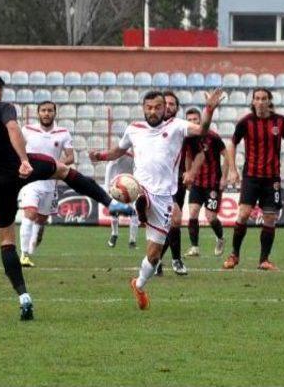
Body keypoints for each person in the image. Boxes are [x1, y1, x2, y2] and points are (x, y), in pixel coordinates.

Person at [0, 72, 134, 321]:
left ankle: (23, 296)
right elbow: (14, 129)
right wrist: (25, 160)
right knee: (63, 170)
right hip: (15, 168)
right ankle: (110, 203)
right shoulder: (2, 107)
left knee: (6, 241)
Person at [90, 89, 224, 310]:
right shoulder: (134, 129)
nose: (153, 111)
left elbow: (203, 129)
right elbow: (118, 151)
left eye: (157, 107)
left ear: (165, 109)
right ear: (144, 108)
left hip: (164, 197)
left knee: (153, 256)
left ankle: (139, 284)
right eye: (149, 107)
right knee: (139, 194)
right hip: (140, 187)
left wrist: (209, 109)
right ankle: (140, 206)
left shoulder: (177, 127)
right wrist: (101, 156)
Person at [224, 88, 284, 271]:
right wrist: (232, 169)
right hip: (251, 176)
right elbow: (232, 144)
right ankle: (234, 255)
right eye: (257, 99)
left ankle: (264, 260)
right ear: (253, 101)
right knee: (244, 214)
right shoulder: (246, 122)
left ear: (269, 101)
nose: (260, 102)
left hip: (272, 179)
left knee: (270, 218)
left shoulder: (280, 121)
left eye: (264, 99)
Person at [19, 101, 74, 267]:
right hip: (31, 181)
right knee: (29, 213)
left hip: (50, 183)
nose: (46, 113)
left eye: (50, 110)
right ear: (38, 113)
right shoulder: (27, 130)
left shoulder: (63, 133)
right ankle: (23, 255)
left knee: (41, 220)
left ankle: (34, 243)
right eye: (43, 110)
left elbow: (70, 157)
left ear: (55, 113)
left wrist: (55, 166)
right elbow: (17, 150)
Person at [154, 90, 200, 276]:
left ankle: (161, 260)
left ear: (177, 108)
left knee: (173, 221)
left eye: (173, 104)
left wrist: (191, 171)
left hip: (177, 181)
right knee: (169, 221)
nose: (169, 106)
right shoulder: (151, 127)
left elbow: (199, 153)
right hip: (156, 181)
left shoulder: (182, 128)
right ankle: (171, 260)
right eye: (166, 103)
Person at [182, 108, 230, 257]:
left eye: (195, 119)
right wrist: (188, 174)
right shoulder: (188, 138)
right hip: (197, 183)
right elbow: (189, 157)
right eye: (189, 120)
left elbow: (227, 156)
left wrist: (224, 178)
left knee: (211, 217)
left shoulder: (212, 136)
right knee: (193, 213)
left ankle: (220, 238)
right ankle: (195, 247)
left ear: (201, 120)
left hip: (213, 183)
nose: (192, 122)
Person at [105, 151, 139, 249]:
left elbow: (137, 170)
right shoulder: (119, 152)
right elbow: (109, 167)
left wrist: (138, 185)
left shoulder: (136, 155)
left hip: (131, 187)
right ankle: (114, 234)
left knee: (134, 213)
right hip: (117, 187)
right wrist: (107, 187)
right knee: (114, 211)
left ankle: (132, 241)